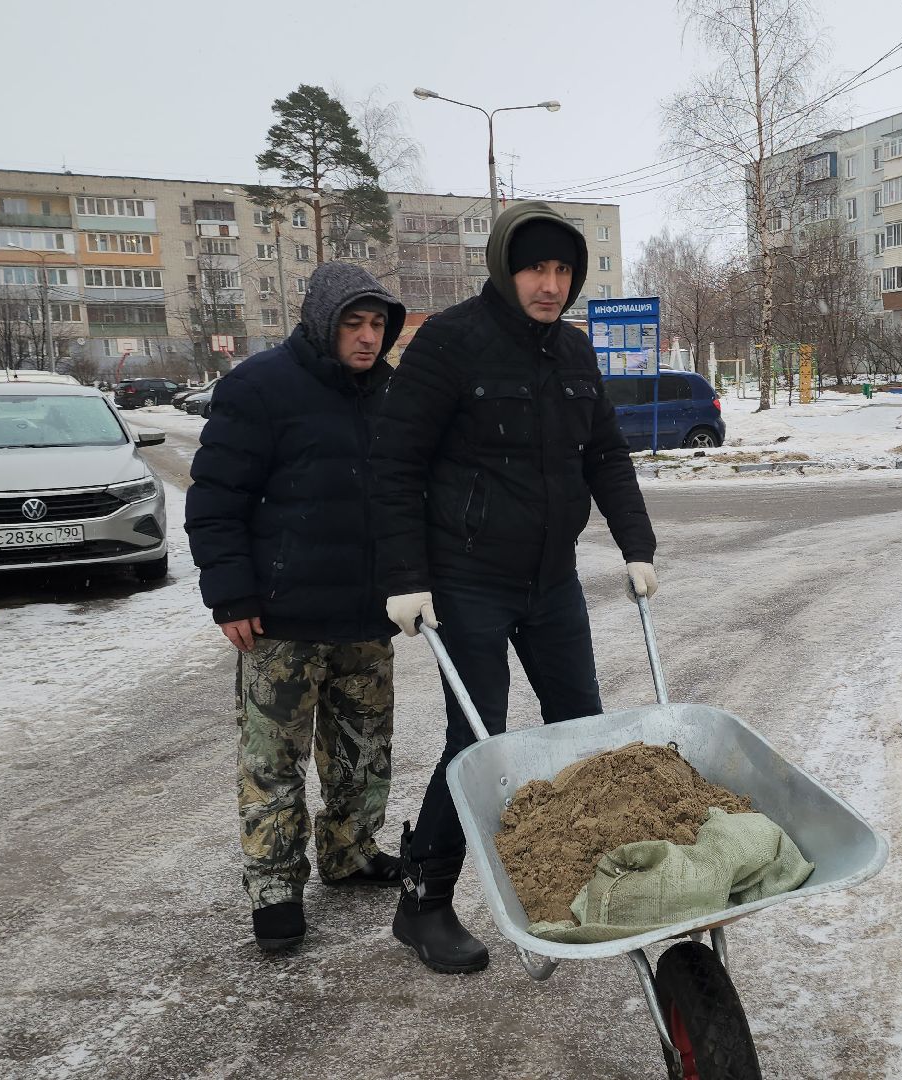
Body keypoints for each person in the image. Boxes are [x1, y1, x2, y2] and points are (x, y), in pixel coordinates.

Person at [370, 201, 658, 974]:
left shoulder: (572, 351)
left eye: (563, 269)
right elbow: (396, 465)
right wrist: (406, 578)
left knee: (581, 728)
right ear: (506, 267)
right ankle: (424, 903)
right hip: (466, 578)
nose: (550, 283)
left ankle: (578, 880)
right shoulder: (452, 342)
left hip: (551, 578)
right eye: (537, 267)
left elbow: (604, 455)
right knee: (480, 741)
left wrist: (637, 545)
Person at [186, 262, 408, 954]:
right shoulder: (258, 387)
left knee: (361, 754)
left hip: (366, 619)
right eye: (354, 324)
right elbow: (215, 499)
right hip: (279, 623)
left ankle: (350, 851)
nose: (368, 339)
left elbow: (409, 498)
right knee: (272, 762)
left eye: (377, 325)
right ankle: (276, 887)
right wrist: (231, 594)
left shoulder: (392, 396)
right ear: (322, 321)